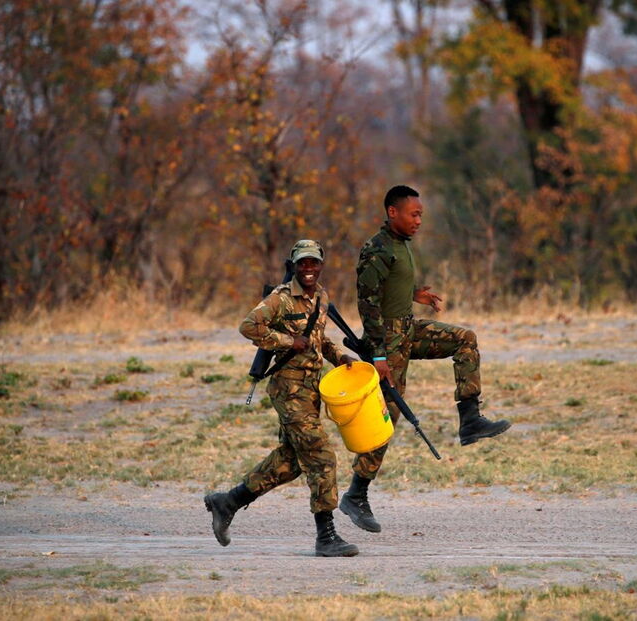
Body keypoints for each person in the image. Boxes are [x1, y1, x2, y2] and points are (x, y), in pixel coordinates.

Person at [339, 185, 511, 533]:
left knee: (464, 339)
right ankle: (356, 494)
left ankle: (470, 419)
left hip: (407, 328)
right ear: (393, 212)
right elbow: (368, 305)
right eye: (414, 214)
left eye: (421, 215)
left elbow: (391, 287)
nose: (419, 221)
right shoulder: (377, 249)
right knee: (387, 416)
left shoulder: (401, 244)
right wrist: (379, 354)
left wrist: (413, 293)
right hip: (387, 339)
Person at [204, 239, 359, 557]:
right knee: (321, 457)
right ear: (294, 265)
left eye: (314, 262)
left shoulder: (321, 296)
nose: (309, 268)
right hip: (288, 390)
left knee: (291, 462)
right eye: (303, 263)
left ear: (321, 264)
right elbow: (248, 326)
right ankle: (326, 537)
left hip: (311, 390)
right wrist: (287, 341)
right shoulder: (281, 298)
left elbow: (318, 339)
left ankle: (228, 502)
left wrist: (339, 357)